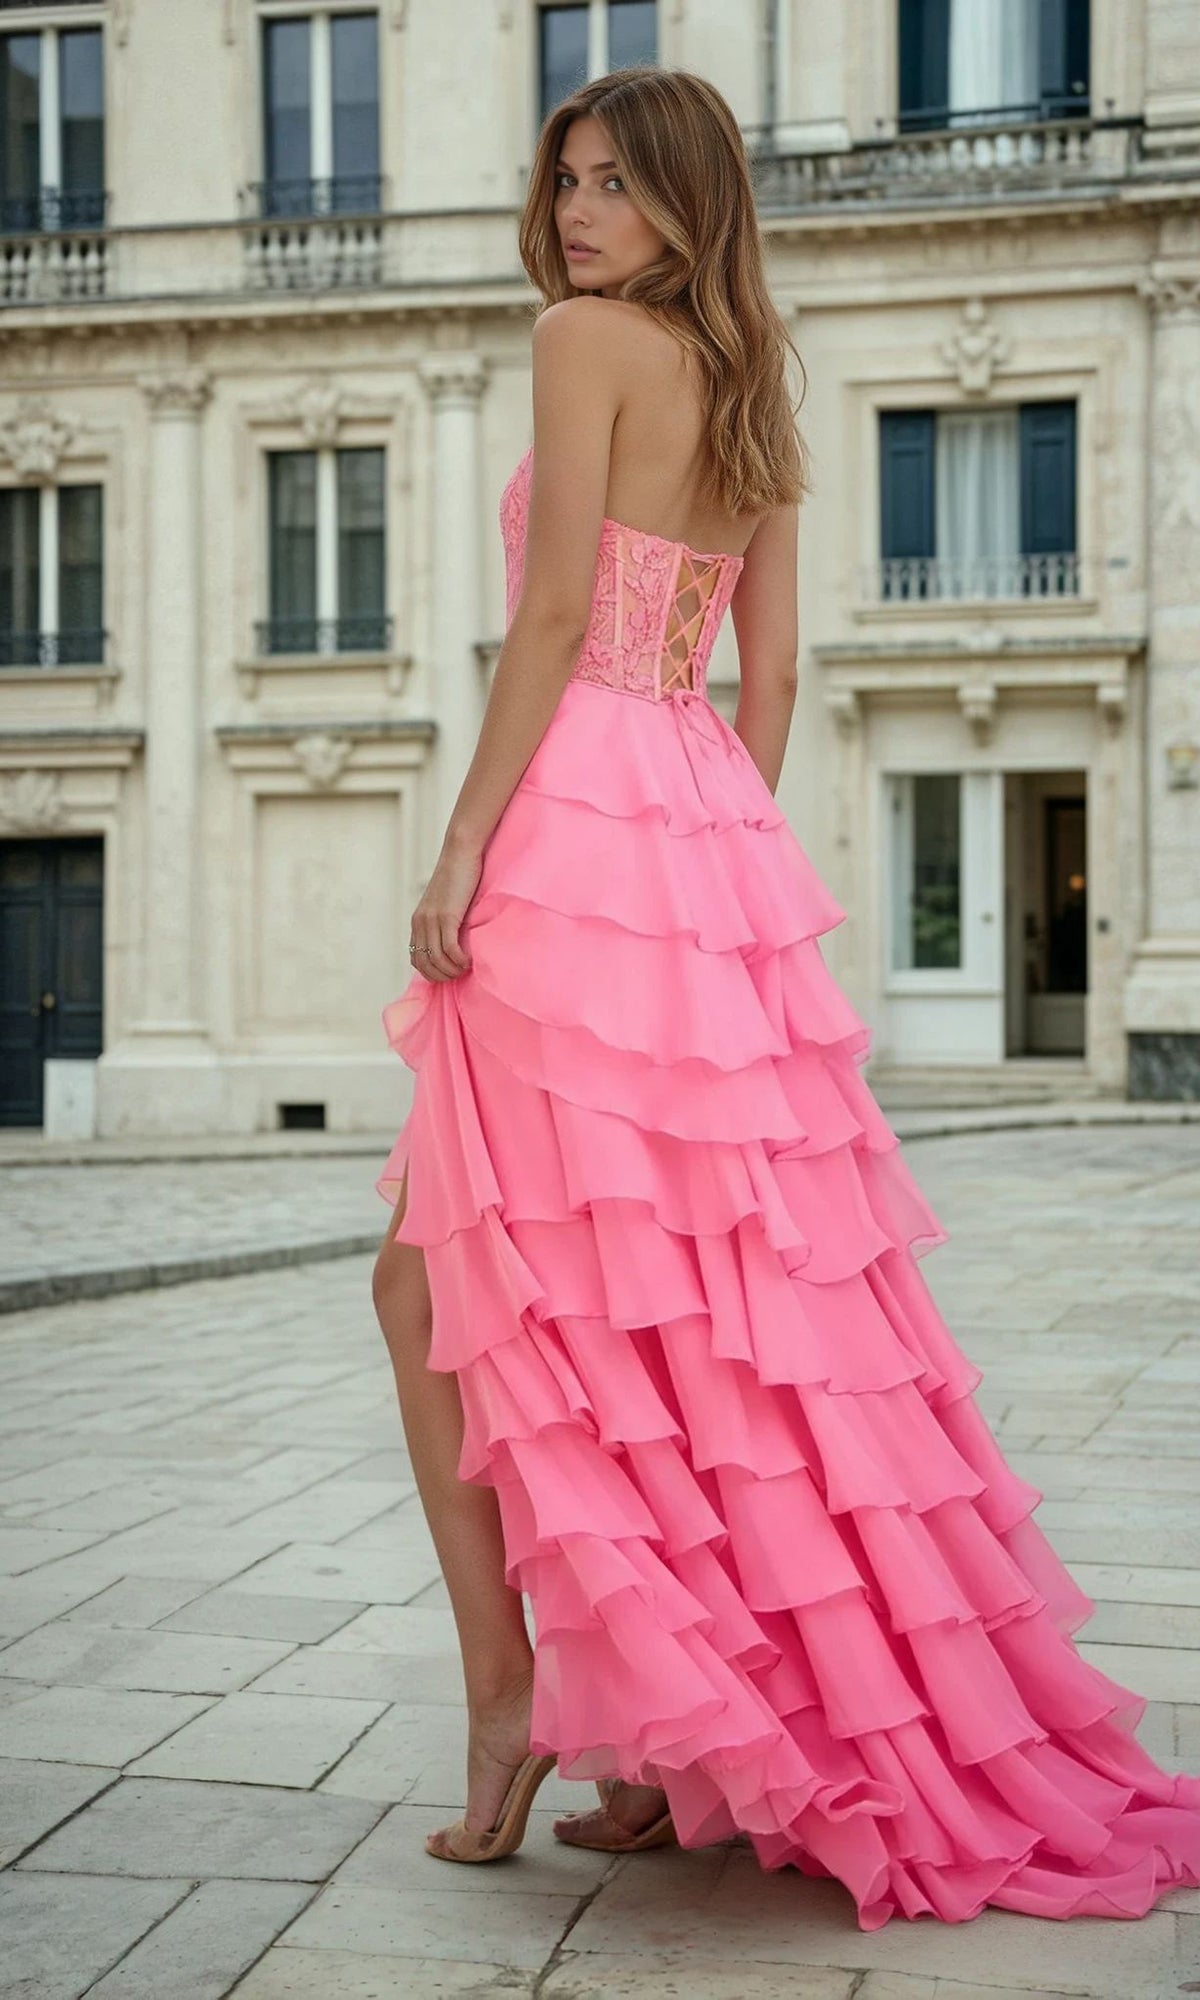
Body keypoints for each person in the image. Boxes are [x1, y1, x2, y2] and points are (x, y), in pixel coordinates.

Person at [370, 66, 1200, 1929]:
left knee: (462, 1274)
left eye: (612, 183)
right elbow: (772, 677)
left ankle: (518, 1704)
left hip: (579, 810)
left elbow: (557, 616)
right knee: (655, 1297)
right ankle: (656, 1748)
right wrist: (706, 865)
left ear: (683, 199)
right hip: (692, 822)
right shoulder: (756, 383)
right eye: (564, 180)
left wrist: (463, 851)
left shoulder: (583, 337)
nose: (577, 214)